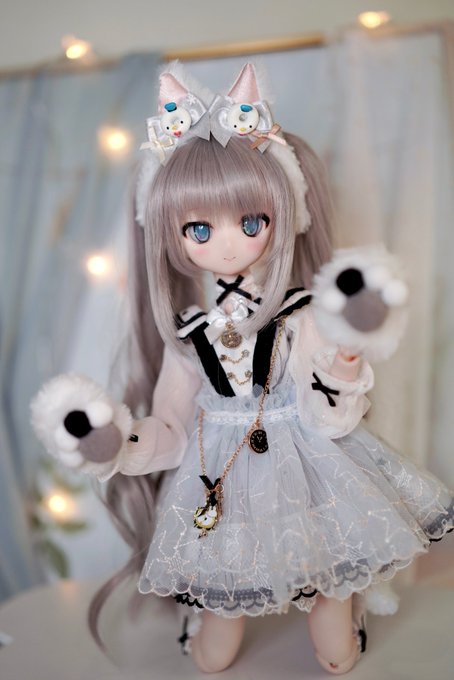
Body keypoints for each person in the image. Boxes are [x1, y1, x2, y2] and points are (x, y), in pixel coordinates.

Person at [32, 62, 454, 675]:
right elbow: (171, 429)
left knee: (333, 630)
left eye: (251, 221)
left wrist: (345, 357)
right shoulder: (189, 335)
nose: (227, 244)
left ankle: (343, 612)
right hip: (219, 477)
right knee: (214, 652)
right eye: (199, 228)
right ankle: (215, 620)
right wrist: (116, 442)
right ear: (171, 235)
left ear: (286, 216)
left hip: (307, 462)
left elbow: (328, 416)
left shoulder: (301, 314)